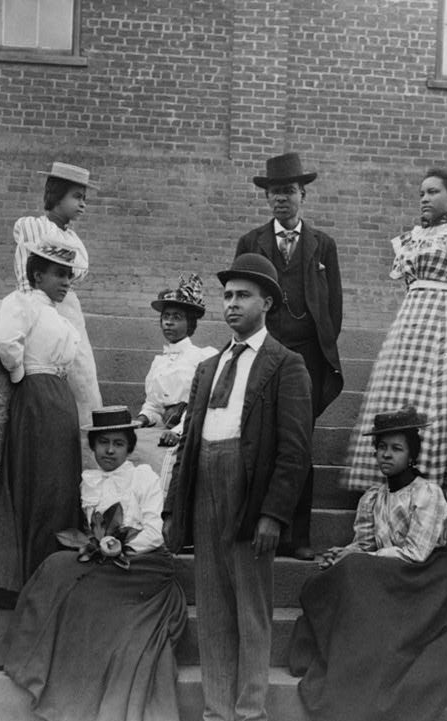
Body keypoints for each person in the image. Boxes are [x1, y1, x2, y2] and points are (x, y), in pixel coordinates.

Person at [162, 253, 314, 721]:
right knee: (211, 604)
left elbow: (295, 449)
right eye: (227, 296)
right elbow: (189, 439)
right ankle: (216, 711)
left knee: (250, 605)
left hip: (249, 488)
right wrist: (176, 505)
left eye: (243, 296)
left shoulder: (285, 364)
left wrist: (273, 512)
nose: (232, 304)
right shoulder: (209, 365)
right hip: (206, 474)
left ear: (266, 303)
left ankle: (249, 711)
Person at [288, 406, 447, 721]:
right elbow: (365, 544)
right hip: (387, 574)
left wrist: (359, 560)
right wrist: (343, 554)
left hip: (425, 578)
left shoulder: (427, 494)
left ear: (412, 454)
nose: (386, 455)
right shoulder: (373, 498)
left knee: (357, 570)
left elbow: (416, 552)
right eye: (381, 447)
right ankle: (351, 656)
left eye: (396, 448)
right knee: (330, 578)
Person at [343, 167, 447, 556]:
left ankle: (434, 479)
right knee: (398, 388)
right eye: (421, 193)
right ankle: (394, 470)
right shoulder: (412, 238)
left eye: (433, 192)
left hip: (445, 318)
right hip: (412, 319)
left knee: (440, 397)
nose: (424, 198)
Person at [1, 406, 187, 721]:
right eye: (103, 443)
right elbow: (94, 528)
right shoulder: (90, 481)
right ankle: (28, 654)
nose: (110, 450)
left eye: (117, 443)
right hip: (107, 556)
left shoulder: (143, 478)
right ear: (93, 447)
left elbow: (155, 534)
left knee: (88, 585)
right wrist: (102, 546)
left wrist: (120, 547)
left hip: (145, 563)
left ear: (129, 446)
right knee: (56, 565)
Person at [235, 152, 343, 560]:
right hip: (264, 352)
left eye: (289, 192)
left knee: (298, 443)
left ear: (303, 195)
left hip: (306, 359)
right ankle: (257, 525)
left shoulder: (323, 245)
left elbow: (334, 306)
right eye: (274, 193)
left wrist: (320, 348)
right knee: (259, 438)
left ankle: (297, 536)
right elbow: (242, 296)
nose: (281, 199)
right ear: (267, 200)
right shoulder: (251, 242)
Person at [0, 234, 84, 609]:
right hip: (37, 401)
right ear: (37, 274)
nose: (65, 282)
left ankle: (53, 588)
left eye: (69, 276)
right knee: (39, 491)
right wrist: (22, 375)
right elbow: (5, 339)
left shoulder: (58, 315)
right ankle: (26, 589)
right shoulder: (21, 301)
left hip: (60, 404)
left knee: (61, 492)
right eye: (59, 274)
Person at [13, 161, 102, 425]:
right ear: (56, 195)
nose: (82, 204)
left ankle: (87, 440)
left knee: (82, 374)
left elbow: (77, 271)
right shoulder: (33, 226)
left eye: (84, 198)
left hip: (68, 307)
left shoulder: (74, 240)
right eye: (76, 197)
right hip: (40, 303)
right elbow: (25, 269)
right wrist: (35, 309)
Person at [130, 273, 216, 490]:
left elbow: (201, 402)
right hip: (163, 431)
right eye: (165, 316)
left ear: (190, 324)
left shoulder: (202, 357)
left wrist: (178, 431)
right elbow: (153, 406)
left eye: (177, 317)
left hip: (191, 429)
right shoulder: (158, 363)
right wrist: (141, 420)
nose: (168, 322)